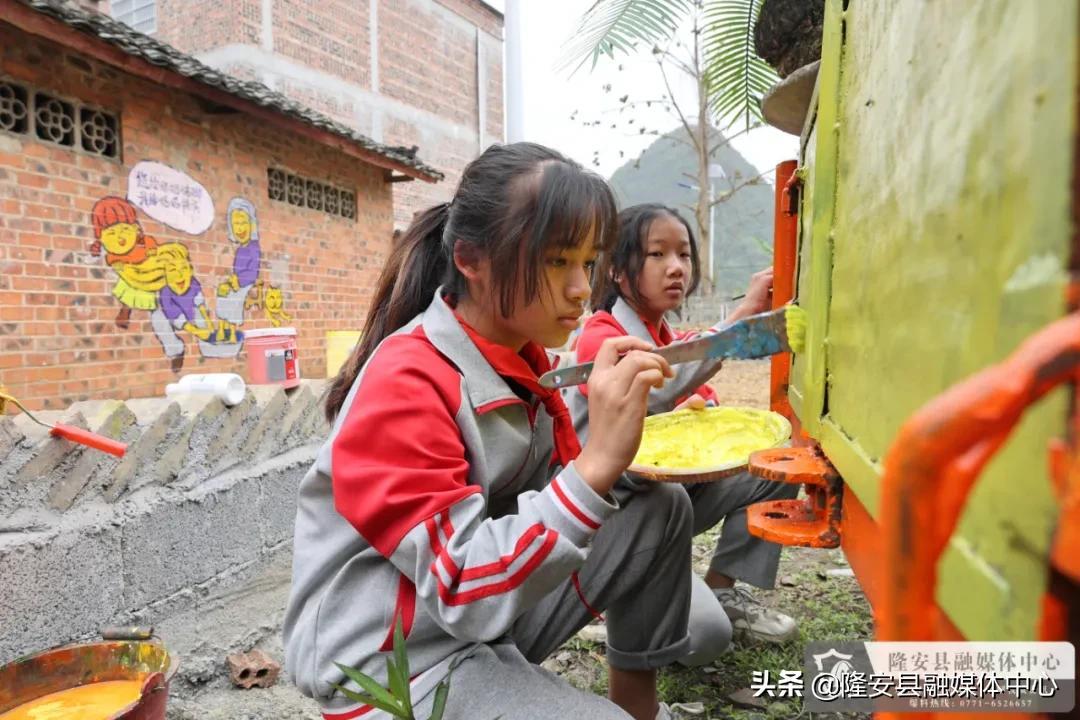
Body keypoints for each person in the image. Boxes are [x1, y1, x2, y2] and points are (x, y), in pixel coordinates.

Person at [284, 144, 709, 720]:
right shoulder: (408, 380)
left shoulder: (524, 363)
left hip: (476, 623)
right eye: (557, 261)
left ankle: (637, 705)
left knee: (660, 508)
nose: (581, 288)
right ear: (472, 260)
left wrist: (613, 451)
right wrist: (597, 463)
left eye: (587, 262)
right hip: (395, 663)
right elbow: (459, 585)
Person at [566, 203, 800, 646]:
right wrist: (740, 321)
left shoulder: (666, 337)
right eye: (657, 255)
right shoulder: (600, 336)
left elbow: (689, 380)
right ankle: (618, 594)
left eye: (684, 255)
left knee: (775, 467)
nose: (675, 268)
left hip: (667, 501)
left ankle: (721, 590)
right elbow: (656, 383)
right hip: (618, 518)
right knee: (704, 641)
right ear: (617, 270)